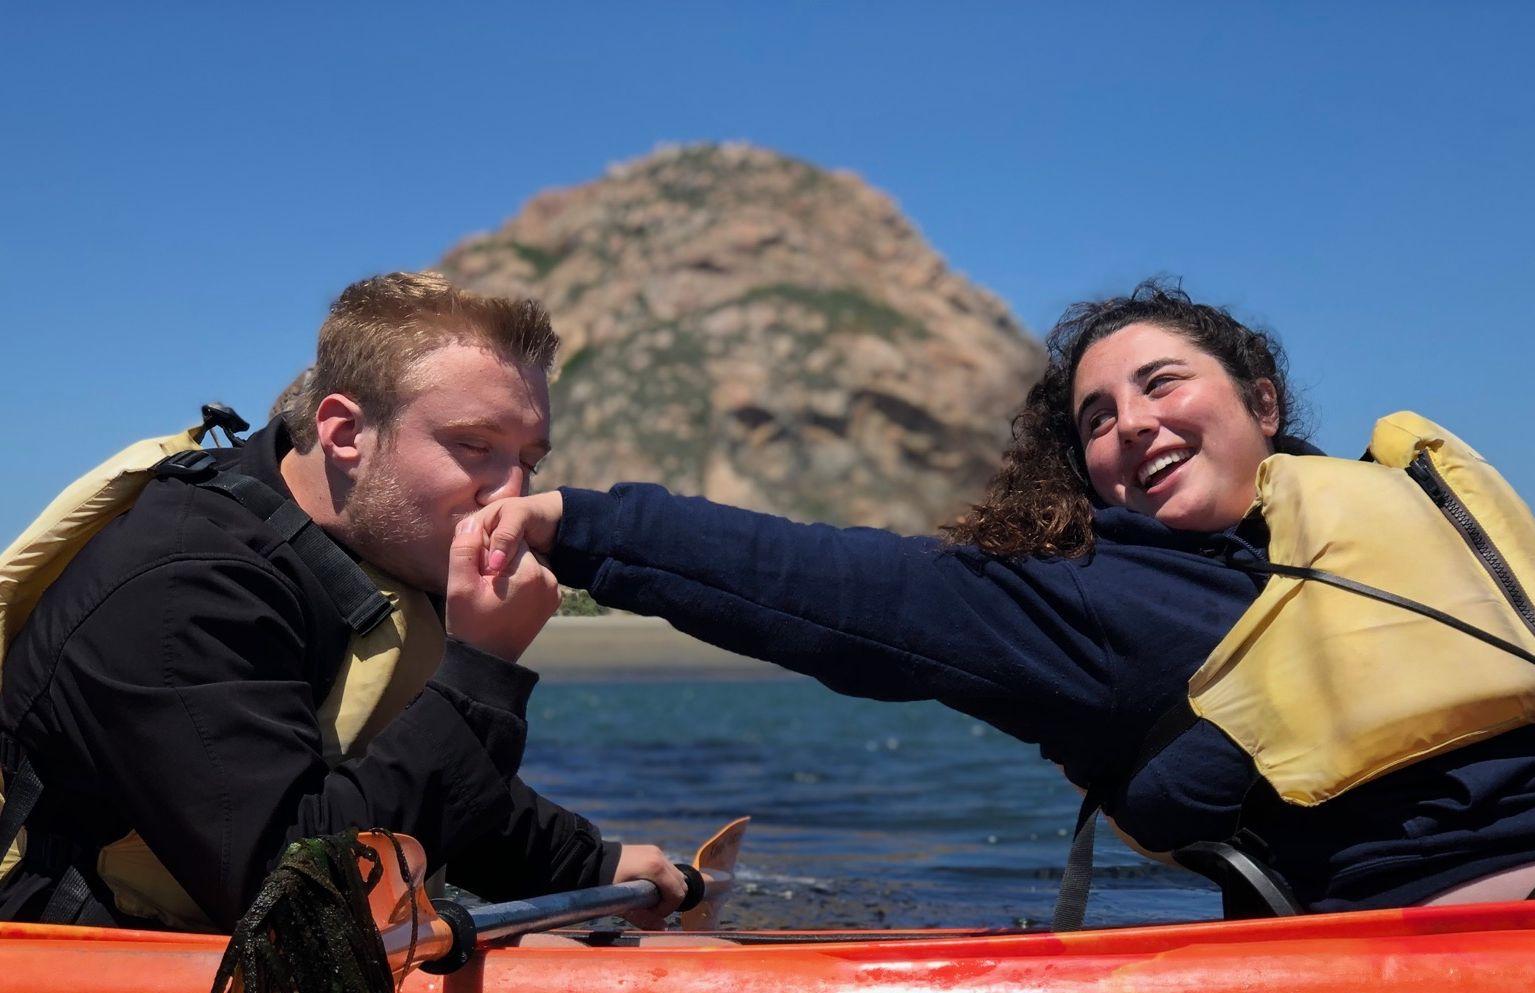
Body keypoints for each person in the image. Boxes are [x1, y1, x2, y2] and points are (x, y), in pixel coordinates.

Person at [478, 280, 1535, 915]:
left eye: (1162, 383)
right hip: (1425, 955)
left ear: (1260, 404)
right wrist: (579, 524)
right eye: (1094, 418)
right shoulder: (1091, 606)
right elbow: (848, 588)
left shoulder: (1424, 524)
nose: (1131, 423)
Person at [0, 273, 686, 930]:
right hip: (74, 974)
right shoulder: (186, 586)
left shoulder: (372, 541)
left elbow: (390, 772)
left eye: (527, 462)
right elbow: (293, 893)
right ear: (345, 434)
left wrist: (584, 864)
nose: (508, 493)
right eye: (473, 446)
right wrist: (483, 666)